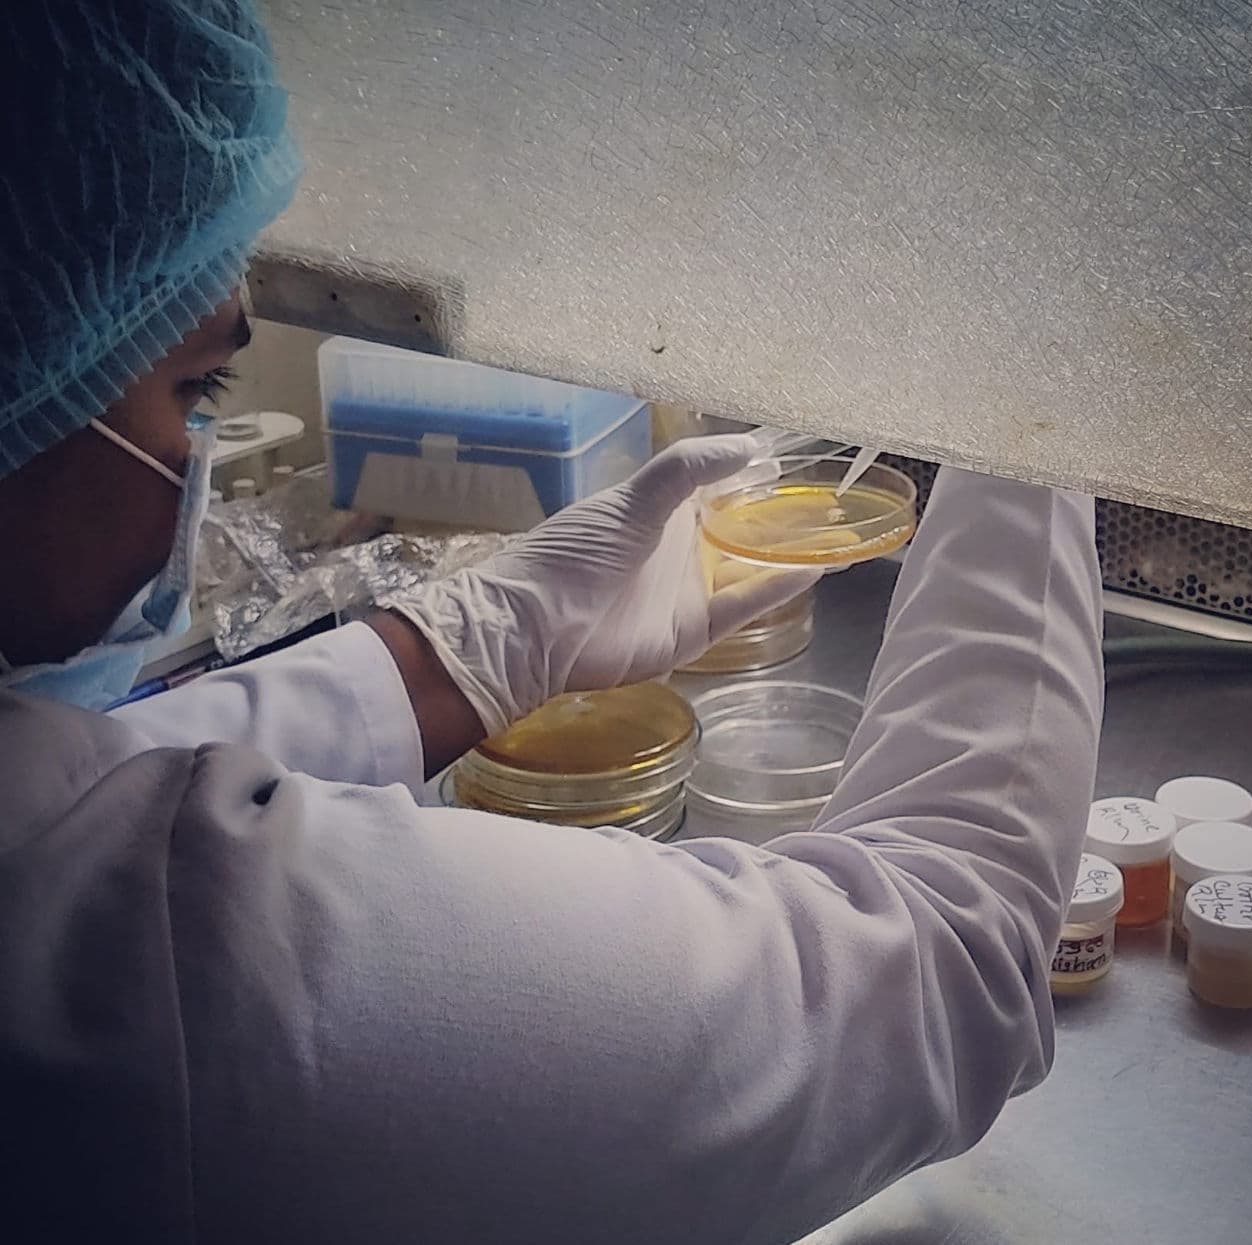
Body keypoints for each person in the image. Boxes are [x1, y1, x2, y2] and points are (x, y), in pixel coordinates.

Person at [0, 4, 1103, 1243]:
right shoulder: (166, 984)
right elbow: (942, 971)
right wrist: (1033, 423)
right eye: (195, 388)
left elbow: (92, 794)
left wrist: (480, 638)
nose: (197, 450)